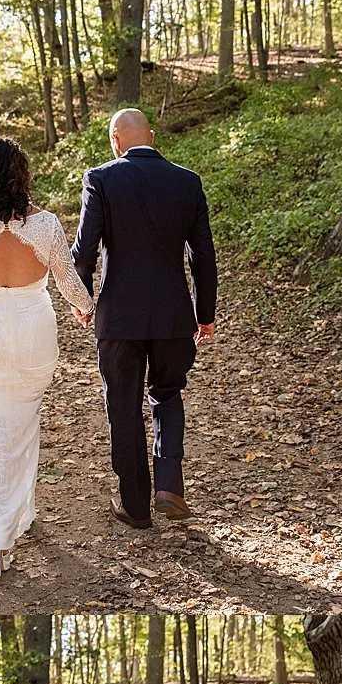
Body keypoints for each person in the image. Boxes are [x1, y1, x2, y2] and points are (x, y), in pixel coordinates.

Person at [0, 138, 94, 577]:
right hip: (32, 334)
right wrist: (86, 307)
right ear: (22, 175)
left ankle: (5, 530)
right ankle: (8, 523)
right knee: (23, 429)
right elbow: (67, 280)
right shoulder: (46, 225)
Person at [70, 109, 218, 530]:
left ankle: (134, 505)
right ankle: (169, 485)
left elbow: (84, 250)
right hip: (173, 315)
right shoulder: (187, 182)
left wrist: (82, 300)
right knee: (167, 394)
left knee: (122, 404)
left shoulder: (101, 179)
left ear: (115, 140)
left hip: (119, 317)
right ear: (150, 137)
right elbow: (203, 255)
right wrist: (204, 314)